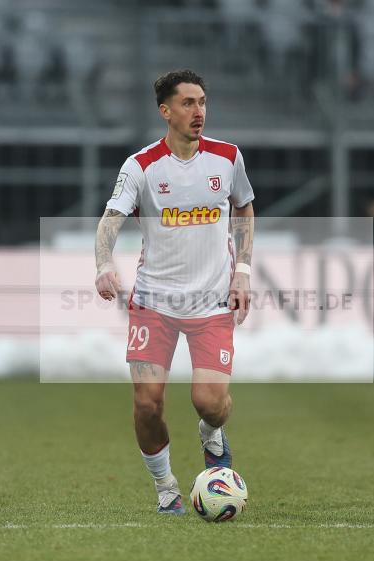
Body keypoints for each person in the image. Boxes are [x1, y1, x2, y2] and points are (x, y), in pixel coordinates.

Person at [94, 70, 255, 514]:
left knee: (210, 403)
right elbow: (110, 220)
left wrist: (242, 269)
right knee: (147, 404)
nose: (198, 111)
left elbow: (243, 205)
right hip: (154, 303)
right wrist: (104, 264)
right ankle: (167, 489)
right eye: (187, 103)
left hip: (212, 301)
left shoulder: (228, 157)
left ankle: (212, 434)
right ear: (165, 111)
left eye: (202, 101)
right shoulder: (141, 166)